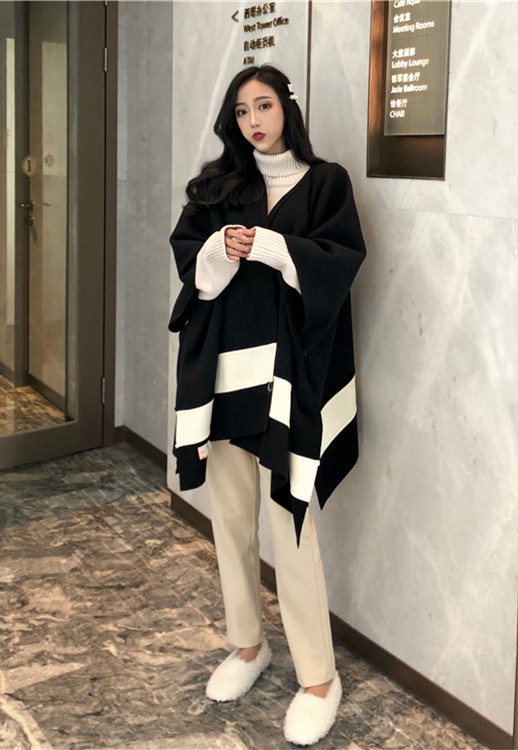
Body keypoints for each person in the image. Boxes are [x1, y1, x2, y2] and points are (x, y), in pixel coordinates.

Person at [168, 64, 366, 746]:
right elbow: (190, 264)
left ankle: (319, 678)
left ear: (287, 109)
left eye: (265, 106)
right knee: (229, 517)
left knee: (291, 519)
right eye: (242, 110)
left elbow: (341, 261)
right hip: (227, 375)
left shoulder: (327, 182)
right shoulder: (218, 187)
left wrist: (276, 248)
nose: (254, 120)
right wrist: (220, 248)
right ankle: (248, 645)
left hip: (289, 379)